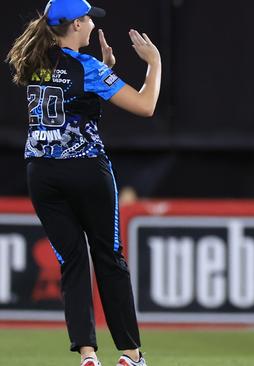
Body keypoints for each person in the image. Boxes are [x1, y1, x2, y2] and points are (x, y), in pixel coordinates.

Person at [6, 0, 161, 365]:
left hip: (41, 174)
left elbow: (66, 93)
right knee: (109, 258)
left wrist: (103, 72)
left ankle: (87, 355)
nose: (92, 23)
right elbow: (145, 105)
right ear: (75, 25)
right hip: (86, 170)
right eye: (88, 18)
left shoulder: (35, 61)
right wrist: (154, 63)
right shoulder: (86, 66)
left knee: (72, 262)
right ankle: (130, 353)